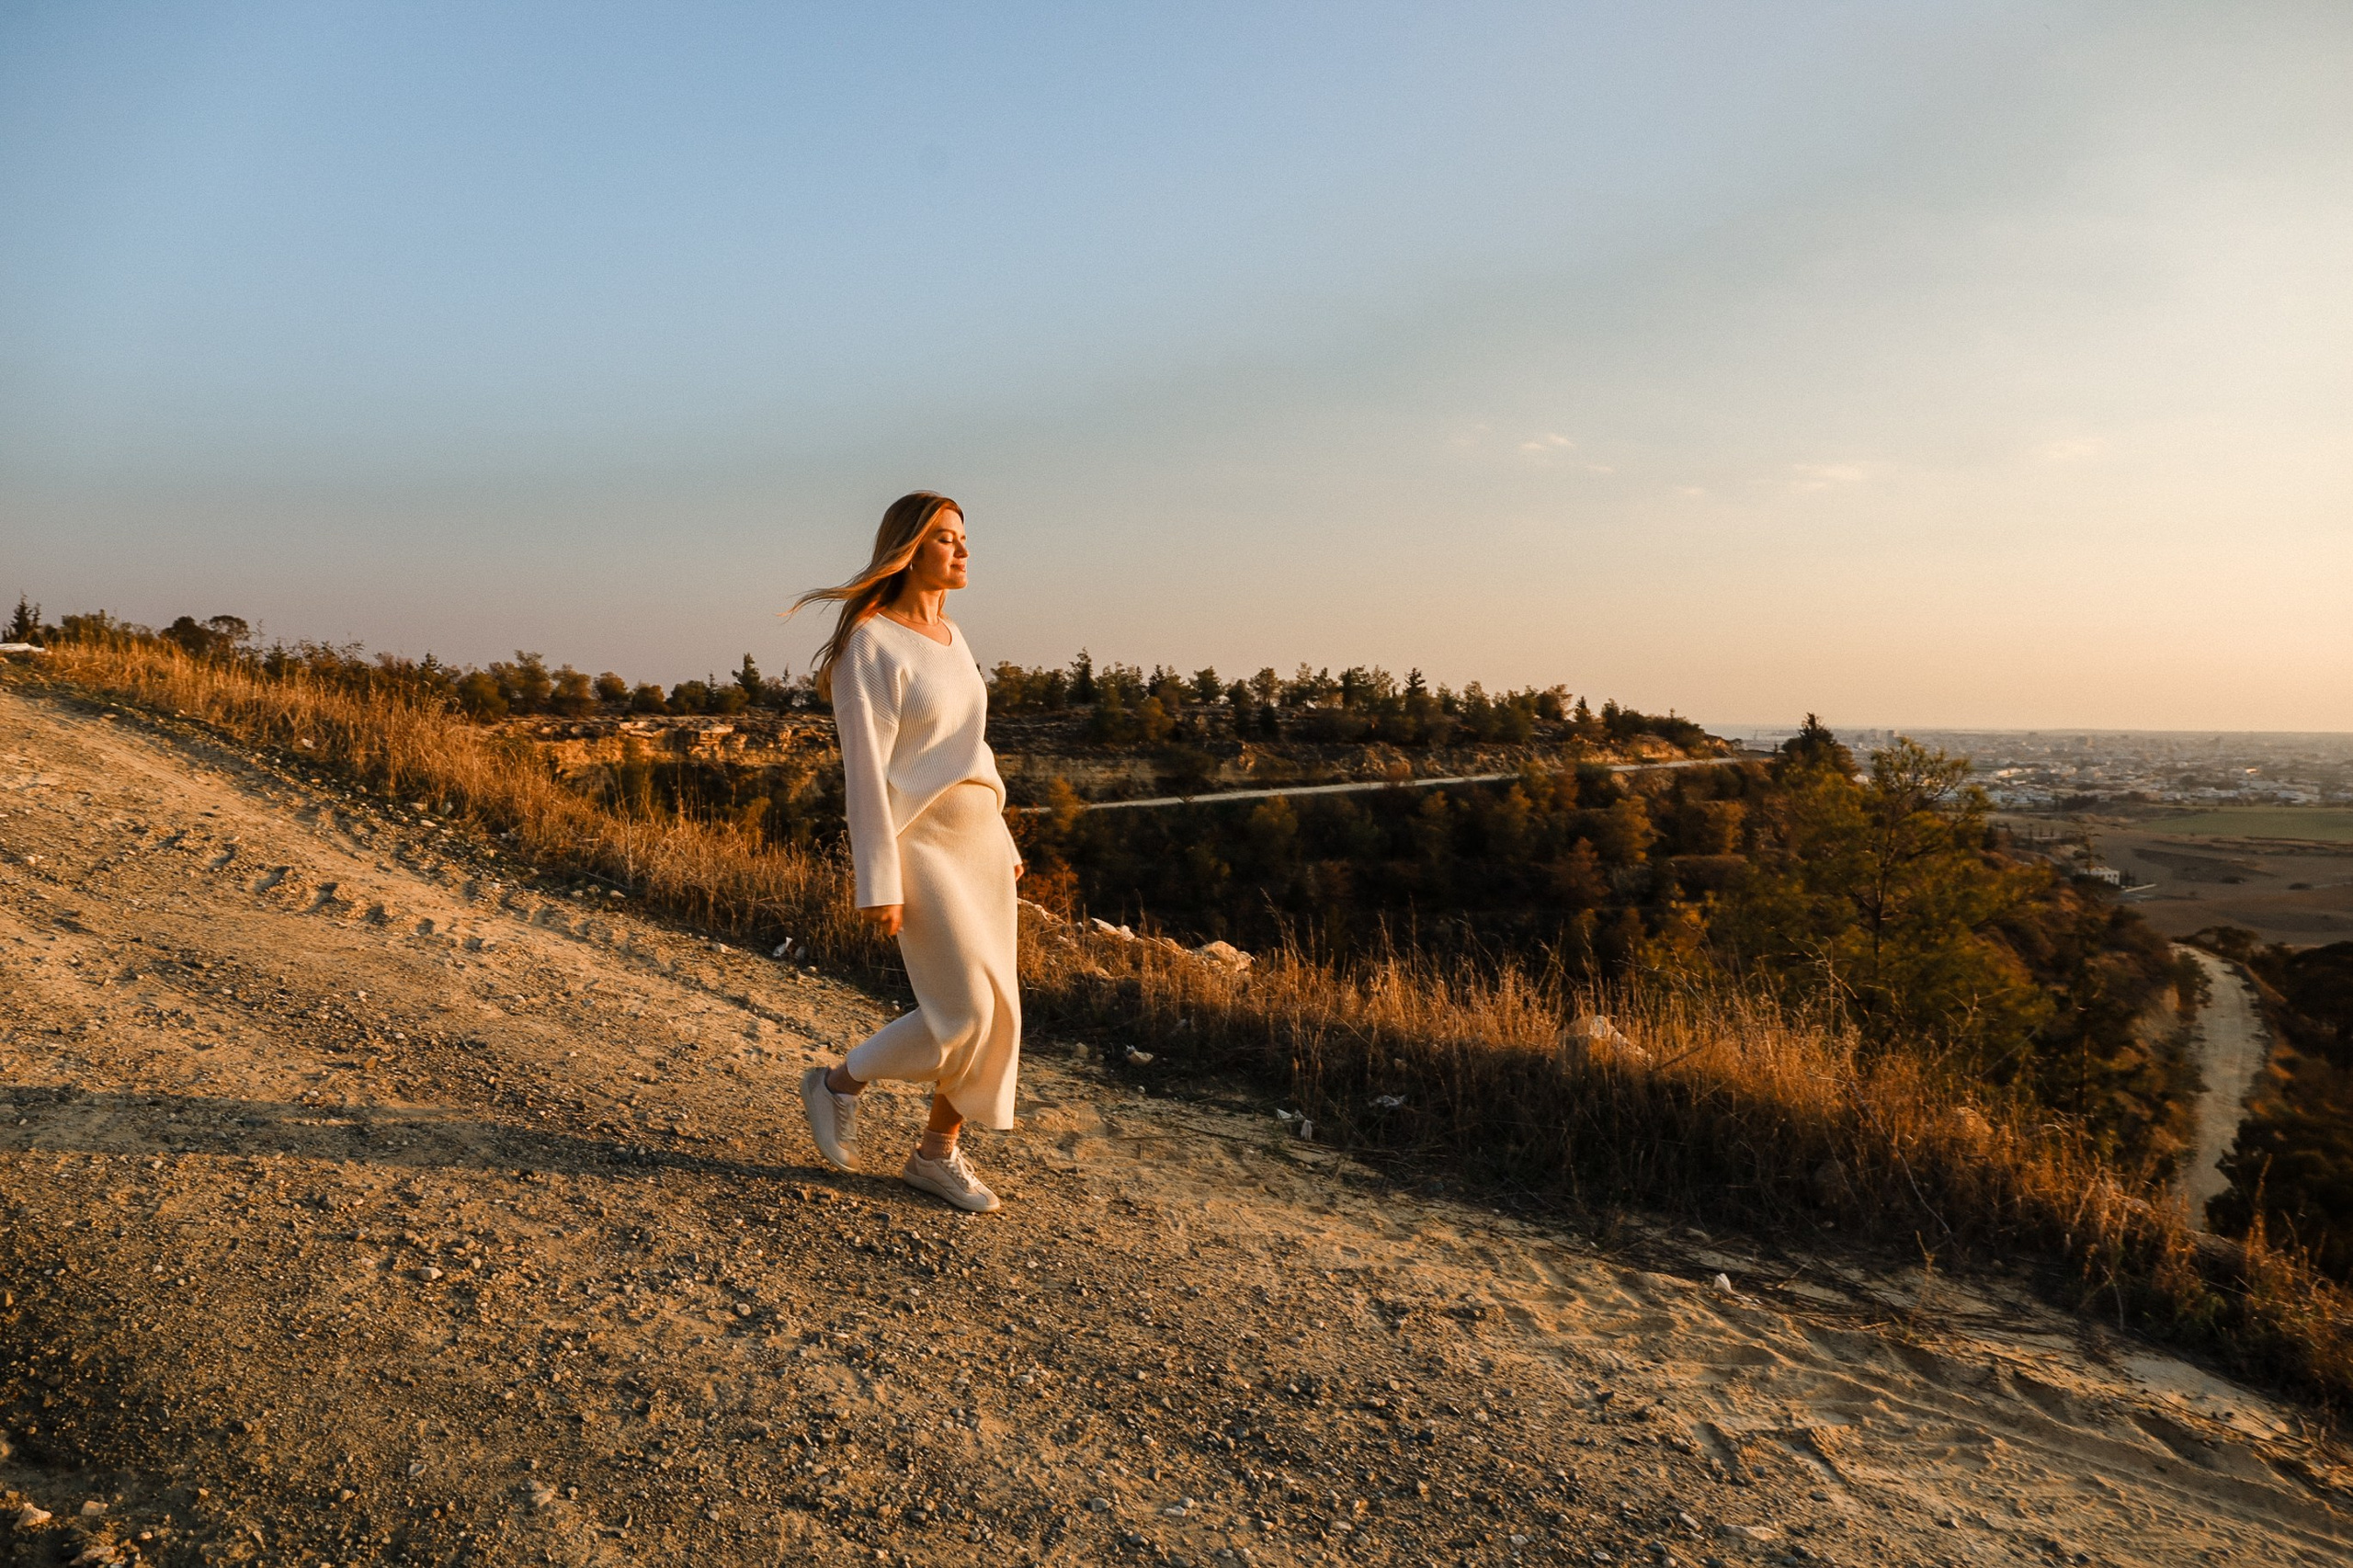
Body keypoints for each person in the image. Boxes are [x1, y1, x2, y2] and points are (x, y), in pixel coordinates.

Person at [785, 492, 1024, 1211]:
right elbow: (864, 771)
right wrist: (877, 879)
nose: (964, 550)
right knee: (964, 1012)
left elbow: (969, 749)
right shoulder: (871, 642)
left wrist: (1004, 834)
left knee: (1001, 1009)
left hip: (979, 839)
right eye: (948, 538)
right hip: (919, 843)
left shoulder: (953, 636)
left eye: (963, 537)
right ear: (910, 548)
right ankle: (837, 1083)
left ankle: (934, 1156)